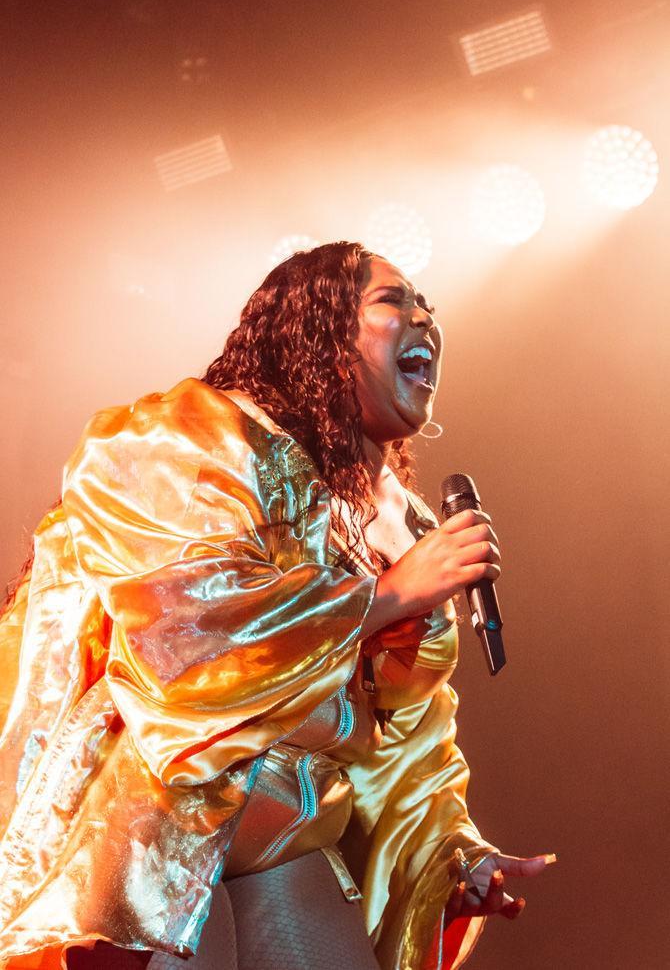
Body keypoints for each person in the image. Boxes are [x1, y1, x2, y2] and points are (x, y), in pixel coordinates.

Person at [0, 243, 553, 970]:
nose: (423, 318)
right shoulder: (201, 433)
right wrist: (387, 595)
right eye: (392, 300)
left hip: (290, 828)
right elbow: (187, 626)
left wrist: (453, 850)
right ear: (318, 332)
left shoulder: (411, 525)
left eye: (428, 307)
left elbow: (409, 734)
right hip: (161, 819)